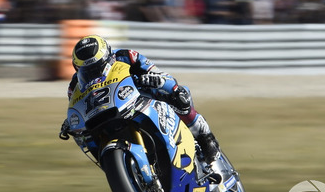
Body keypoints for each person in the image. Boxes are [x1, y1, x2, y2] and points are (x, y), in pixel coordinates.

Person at [60, 35, 222, 168]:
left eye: (97, 68)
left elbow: (163, 76)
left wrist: (155, 80)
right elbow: (78, 106)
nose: (93, 73)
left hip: (139, 97)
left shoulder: (127, 56)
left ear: (108, 57)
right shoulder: (74, 86)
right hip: (106, 114)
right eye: (87, 71)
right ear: (77, 68)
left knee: (179, 94)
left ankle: (205, 137)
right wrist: (71, 122)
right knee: (82, 136)